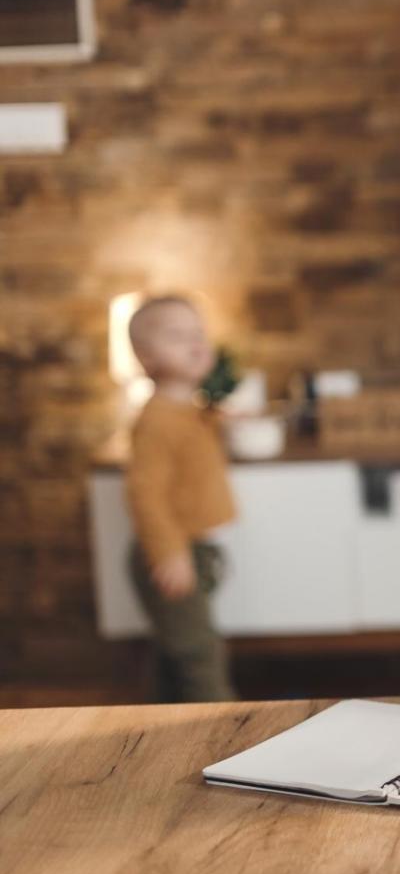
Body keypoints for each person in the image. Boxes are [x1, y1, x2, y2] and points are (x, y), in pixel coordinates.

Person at [124, 294, 239, 702]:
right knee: (199, 654)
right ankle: (222, 732)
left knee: (178, 649)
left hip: (195, 550)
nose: (195, 343)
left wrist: (216, 417)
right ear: (145, 357)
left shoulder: (188, 409)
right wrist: (169, 553)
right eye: (177, 336)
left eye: (198, 333)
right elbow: (145, 494)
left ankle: (165, 729)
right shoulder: (156, 420)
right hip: (174, 551)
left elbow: (193, 442)